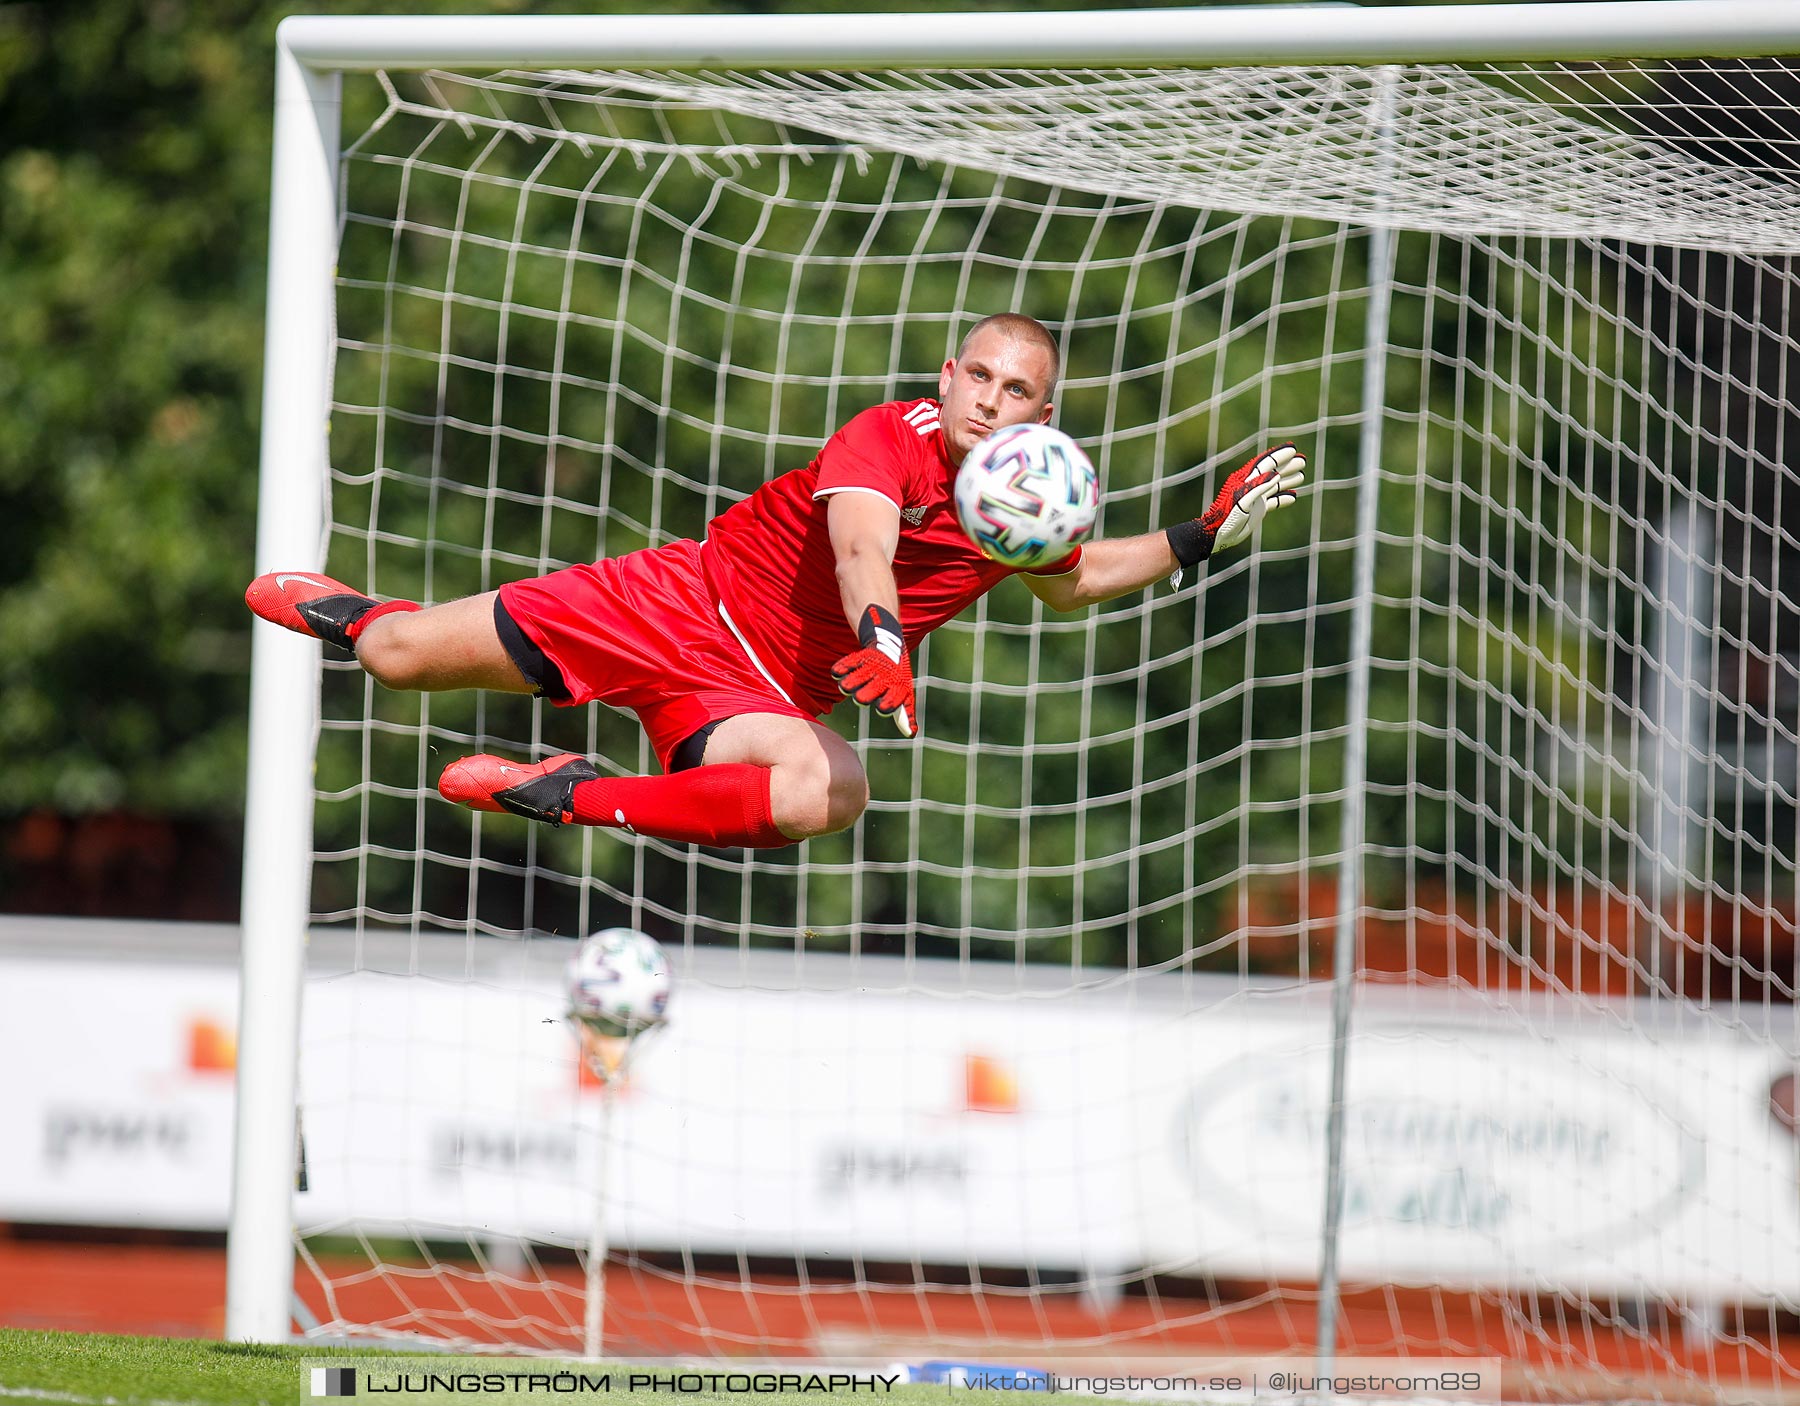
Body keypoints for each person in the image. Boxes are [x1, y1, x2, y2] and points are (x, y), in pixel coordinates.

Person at [245, 313, 1305, 851]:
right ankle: (358, 613)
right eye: (977, 374)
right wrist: (885, 638)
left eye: (1015, 387)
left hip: (755, 697)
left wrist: (1198, 536)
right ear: (947, 377)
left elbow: (1073, 582)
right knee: (397, 659)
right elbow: (860, 546)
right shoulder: (891, 432)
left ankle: (574, 793)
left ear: (1043, 416)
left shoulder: (1019, 501)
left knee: (829, 789)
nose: (989, 398)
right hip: (672, 603)